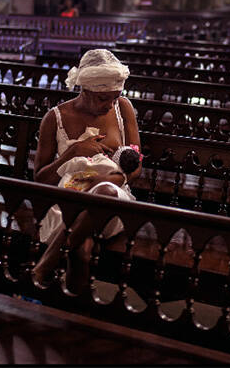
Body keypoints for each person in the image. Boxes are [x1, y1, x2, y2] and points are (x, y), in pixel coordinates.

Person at [32, 49, 141, 293]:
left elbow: (136, 163)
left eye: (116, 97)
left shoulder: (123, 109)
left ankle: (47, 263)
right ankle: (75, 314)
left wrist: (113, 177)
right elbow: (40, 179)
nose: (110, 104)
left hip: (115, 197)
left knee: (106, 191)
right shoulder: (55, 118)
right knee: (81, 249)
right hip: (69, 195)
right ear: (85, 90)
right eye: (104, 99)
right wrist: (73, 152)